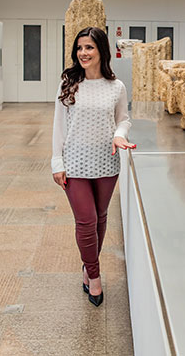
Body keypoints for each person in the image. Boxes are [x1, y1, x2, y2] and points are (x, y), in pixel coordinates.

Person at [51, 27, 135, 307]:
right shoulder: (68, 83)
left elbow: (123, 119)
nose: (83, 53)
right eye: (79, 48)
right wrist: (56, 162)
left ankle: (88, 266)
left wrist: (119, 134)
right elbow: (58, 126)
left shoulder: (117, 87)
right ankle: (95, 278)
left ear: (101, 51)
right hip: (74, 165)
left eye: (89, 48)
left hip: (106, 162)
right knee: (86, 222)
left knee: (100, 218)